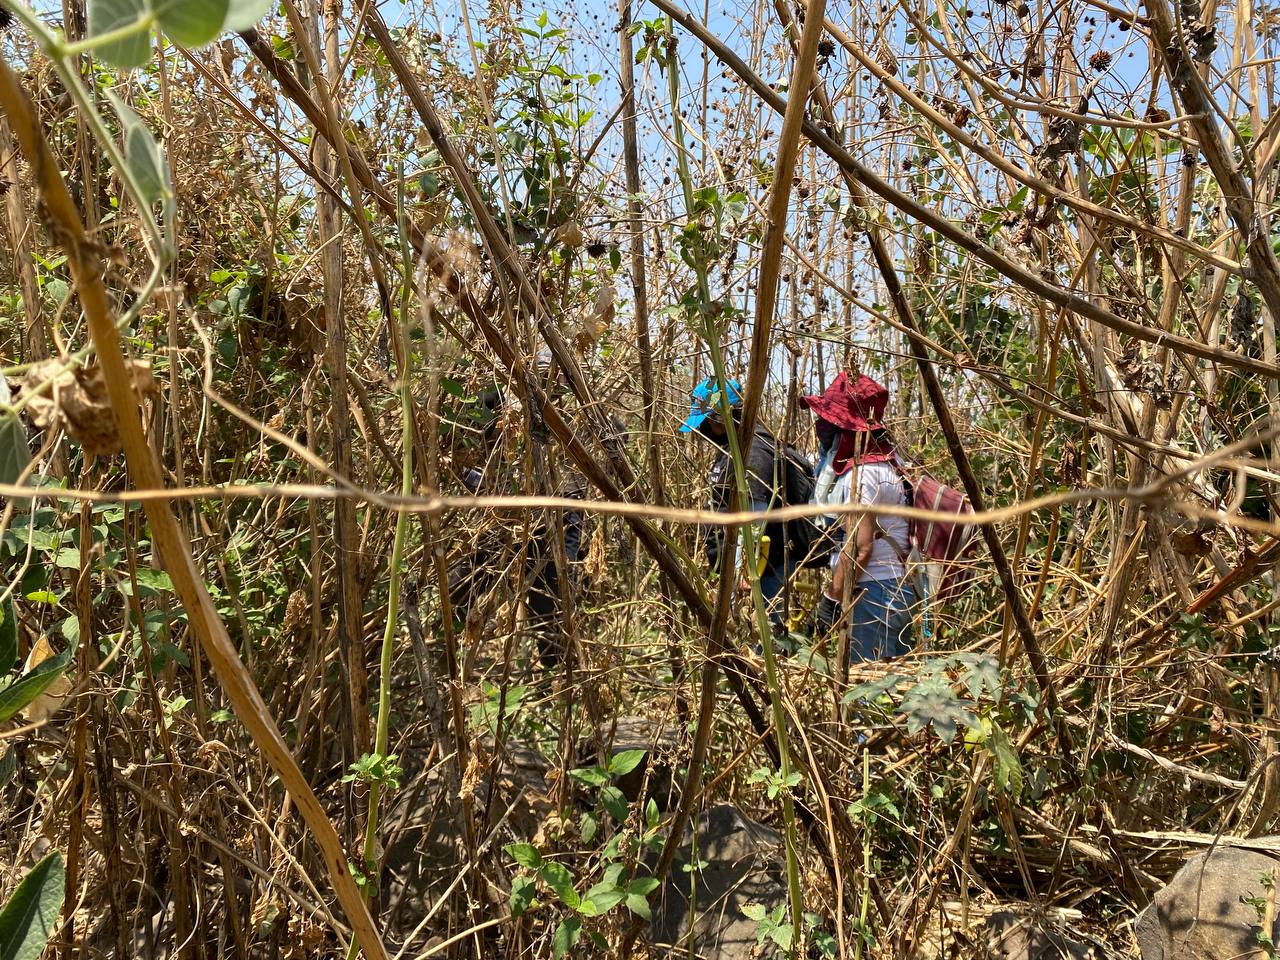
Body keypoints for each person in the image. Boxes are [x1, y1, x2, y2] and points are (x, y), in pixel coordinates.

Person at [448, 352, 585, 667]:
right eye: (545, 378)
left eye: (557, 380)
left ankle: (555, 675)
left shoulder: (575, 410)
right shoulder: (498, 401)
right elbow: (459, 444)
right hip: (508, 511)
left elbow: (610, 440)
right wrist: (480, 485)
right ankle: (455, 647)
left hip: (558, 517)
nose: (552, 386)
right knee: (460, 588)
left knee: (552, 606)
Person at [802, 372, 917, 662]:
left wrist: (831, 597)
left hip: (874, 592)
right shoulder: (892, 463)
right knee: (891, 686)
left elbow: (860, 547)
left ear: (847, 428)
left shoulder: (862, 475)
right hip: (893, 588)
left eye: (829, 421)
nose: (822, 428)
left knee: (868, 689)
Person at [680, 376, 796, 633]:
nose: (705, 429)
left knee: (759, 639)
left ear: (724, 417)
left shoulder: (753, 450)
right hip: (742, 573)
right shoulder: (734, 448)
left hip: (758, 576)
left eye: (709, 421)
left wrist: (744, 574)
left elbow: (754, 520)